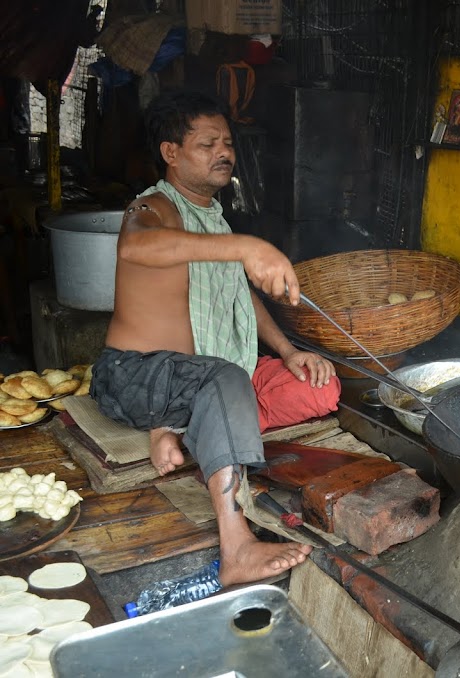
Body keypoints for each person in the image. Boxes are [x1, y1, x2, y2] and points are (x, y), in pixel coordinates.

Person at [90, 90, 342, 586]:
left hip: (212, 372)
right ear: (171, 153)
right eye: (207, 144)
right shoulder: (151, 207)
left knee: (318, 387)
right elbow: (136, 246)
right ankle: (237, 547)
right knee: (224, 380)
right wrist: (247, 245)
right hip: (137, 375)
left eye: (226, 142)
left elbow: (240, 295)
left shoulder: (214, 220)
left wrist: (289, 352)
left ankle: (189, 426)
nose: (223, 152)